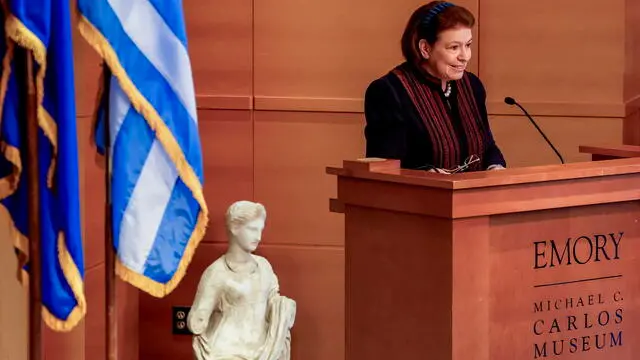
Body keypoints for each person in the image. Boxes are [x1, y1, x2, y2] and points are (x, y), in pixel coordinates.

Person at [364, 1, 506, 173]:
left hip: (474, 197)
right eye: (454, 47)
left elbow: (486, 145)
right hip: (418, 196)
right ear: (425, 48)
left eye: (468, 45)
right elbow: (386, 166)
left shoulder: (472, 86)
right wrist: (427, 174)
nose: (465, 56)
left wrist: (495, 166)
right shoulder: (389, 91)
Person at [187, 200, 296, 360]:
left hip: (263, 349)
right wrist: (198, 319)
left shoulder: (264, 266)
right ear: (234, 228)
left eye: (260, 230)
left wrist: (283, 307)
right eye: (252, 229)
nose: (258, 237)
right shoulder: (217, 272)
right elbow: (197, 320)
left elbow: (273, 301)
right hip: (226, 352)